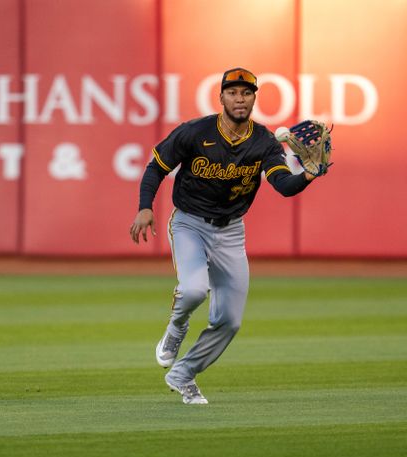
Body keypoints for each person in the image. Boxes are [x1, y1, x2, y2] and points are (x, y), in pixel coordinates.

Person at [129, 67, 322, 405]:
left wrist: (307, 174)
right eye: (233, 92)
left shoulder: (263, 141)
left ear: (253, 98)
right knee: (192, 290)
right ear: (221, 98)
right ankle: (176, 330)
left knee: (230, 321)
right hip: (189, 223)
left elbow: (284, 186)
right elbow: (156, 167)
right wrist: (145, 207)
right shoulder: (194, 132)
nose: (239, 98)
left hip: (231, 232)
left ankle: (184, 373)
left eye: (246, 93)